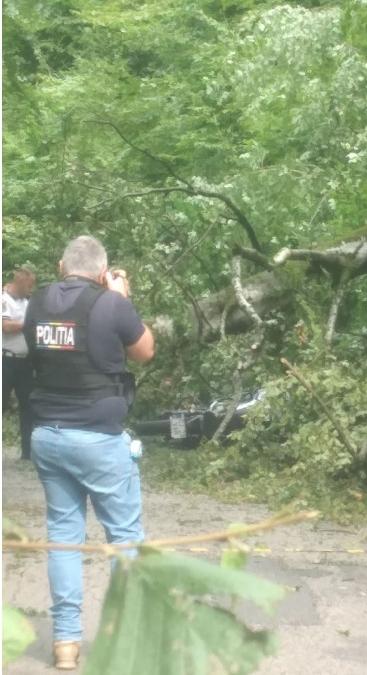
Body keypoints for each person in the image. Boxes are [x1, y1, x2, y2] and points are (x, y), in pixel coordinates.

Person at [24, 236, 154, 670]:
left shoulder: (36, 303)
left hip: (47, 435)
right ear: (102, 271)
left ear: (62, 265)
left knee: (63, 537)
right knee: (124, 537)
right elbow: (145, 351)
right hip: (98, 436)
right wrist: (119, 297)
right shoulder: (110, 303)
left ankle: (65, 643)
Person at [3, 267, 37, 459]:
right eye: (29, 285)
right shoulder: (3, 299)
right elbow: (6, 326)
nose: (31, 289)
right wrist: (28, 323)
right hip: (6, 360)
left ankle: (27, 452)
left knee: (28, 406)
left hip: (25, 363)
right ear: (21, 282)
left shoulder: (27, 301)